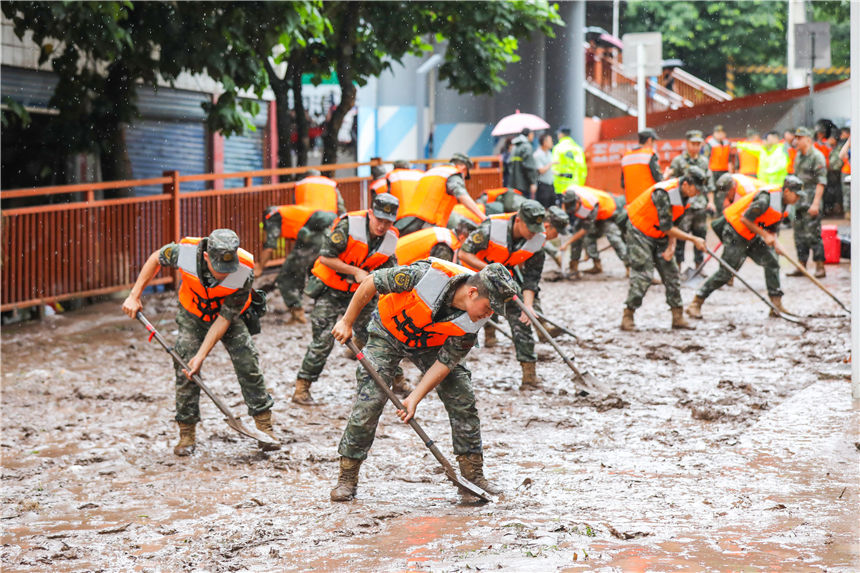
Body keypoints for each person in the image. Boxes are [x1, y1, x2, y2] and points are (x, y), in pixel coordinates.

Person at [328, 260, 518, 501]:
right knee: (370, 399)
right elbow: (371, 282)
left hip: (430, 344)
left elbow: (446, 362)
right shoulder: (422, 276)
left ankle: (472, 476)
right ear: (472, 292)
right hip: (389, 331)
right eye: (489, 306)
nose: (489, 314)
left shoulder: (474, 318)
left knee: (461, 394)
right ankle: (347, 477)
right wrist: (347, 322)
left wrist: (414, 398)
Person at [121, 229, 279, 455]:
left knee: (248, 362)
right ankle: (187, 434)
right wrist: (134, 295)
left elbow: (225, 318)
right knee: (185, 365)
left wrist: (202, 355)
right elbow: (156, 258)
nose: (224, 275)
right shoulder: (185, 254)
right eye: (219, 269)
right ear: (206, 256)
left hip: (226, 317)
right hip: (192, 312)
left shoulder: (243, 272)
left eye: (228, 269)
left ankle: (265, 428)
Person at [293, 194, 401, 405]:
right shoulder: (348, 226)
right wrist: (355, 271)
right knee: (323, 340)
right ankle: (301, 388)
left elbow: (391, 270)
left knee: (378, 335)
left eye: (388, 222)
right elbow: (325, 257)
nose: (382, 226)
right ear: (371, 213)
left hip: (361, 293)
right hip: (330, 290)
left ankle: (397, 380)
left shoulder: (391, 239)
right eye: (379, 220)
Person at [458, 201, 548, 388]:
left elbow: (532, 277)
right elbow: (464, 254)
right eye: (530, 227)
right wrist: (492, 271)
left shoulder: (538, 240)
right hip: (473, 280)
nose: (533, 232)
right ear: (519, 220)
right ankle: (443, 370)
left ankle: (529, 375)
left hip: (505, 283)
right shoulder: (491, 228)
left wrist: (528, 305)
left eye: (536, 228)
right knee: (460, 328)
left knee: (523, 319)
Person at [687, 176, 801, 319]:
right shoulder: (766, 199)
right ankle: (696, 303)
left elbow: (771, 225)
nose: (797, 198)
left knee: (772, 262)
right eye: (796, 194)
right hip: (735, 232)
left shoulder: (785, 205)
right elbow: (745, 219)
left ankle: (776, 305)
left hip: (752, 234)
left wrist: (776, 242)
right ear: (787, 191)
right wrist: (765, 235)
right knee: (726, 273)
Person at [621, 167, 708, 331]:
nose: (697, 193)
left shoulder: (684, 197)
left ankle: (678, 317)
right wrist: (693, 239)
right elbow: (667, 227)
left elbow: (674, 222)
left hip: (659, 234)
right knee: (643, 275)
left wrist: (671, 246)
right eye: (696, 189)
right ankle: (628, 316)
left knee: (672, 273)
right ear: (686, 184)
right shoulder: (664, 193)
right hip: (640, 231)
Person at [395, 154, 486, 236]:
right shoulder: (452, 174)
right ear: (463, 167)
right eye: (465, 175)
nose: (464, 178)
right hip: (426, 225)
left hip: (407, 223)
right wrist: (483, 218)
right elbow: (462, 196)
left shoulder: (432, 172)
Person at [667, 130, 716, 273]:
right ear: (687, 143)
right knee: (681, 236)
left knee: (700, 236)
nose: (695, 147)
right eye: (693, 144)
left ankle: (699, 268)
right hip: (683, 207)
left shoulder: (704, 161)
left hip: (700, 205)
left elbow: (709, 184)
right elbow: (673, 183)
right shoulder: (678, 161)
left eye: (698, 144)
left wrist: (710, 201)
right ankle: (677, 267)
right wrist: (675, 205)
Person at [559, 185, 628, 278]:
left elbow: (584, 230)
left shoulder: (590, 205)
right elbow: (564, 205)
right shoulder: (568, 194)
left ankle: (629, 267)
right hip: (590, 212)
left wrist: (567, 243)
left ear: (578, 201)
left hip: (606, 212)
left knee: (614, 238)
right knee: (583, 236)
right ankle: (578, 267)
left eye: (573, 207)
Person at [789, 127, 828, 278]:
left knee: (813, 235)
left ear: (808, 139)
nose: (796, 140)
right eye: (796, 138)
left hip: (811, 201)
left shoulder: (817, 156)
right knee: (798, 235)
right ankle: (801, 265)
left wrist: (816, 204)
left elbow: (821, 182)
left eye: (800, 138)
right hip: (798, 202)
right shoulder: (798, 155)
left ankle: (820, 266)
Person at [621, 128, 662, 205]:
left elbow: (623, 184)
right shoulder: (650, 154)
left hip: (632, 204)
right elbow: (658, 179)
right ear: (649, 140)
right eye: (654, 142)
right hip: (647, 201)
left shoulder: (626, 156)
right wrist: (667, 174)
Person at [394, 226, 461, 266]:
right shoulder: (446, 246)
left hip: (395, 256)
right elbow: (437, 272)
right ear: (462, 237)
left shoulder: (443, 233)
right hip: (396, 267)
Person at [704, 125, 734, 215]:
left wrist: (730, 170)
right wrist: (707, 171)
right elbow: (706, 158)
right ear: (714, 133)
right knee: (711, 190)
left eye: (722, 132)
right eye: (718, 132)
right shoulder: (709, 143)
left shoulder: (726, 143)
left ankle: (719, 212)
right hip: (712, 171)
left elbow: (729, 158)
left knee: (722, 192)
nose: (720, 135)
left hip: (723, 171)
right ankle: (711, 211)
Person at [552, 126, 587, 196]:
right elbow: (582, 168)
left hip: (560, 187)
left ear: (561, 134)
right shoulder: (578, 148)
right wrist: (580, 184)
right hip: (575, 187)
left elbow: (554, 167)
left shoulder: (557, 148)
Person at [507, 128, 538, 196]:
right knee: (525, 205)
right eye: (532, 134)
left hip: (513, 183)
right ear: (529, 135)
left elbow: (509, 164)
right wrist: (533, 182)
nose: (533, 136)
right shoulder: (527, 147)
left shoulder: (514, 146)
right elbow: (529, 166)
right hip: (524, 184)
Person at [533, 133, 557, 207]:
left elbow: (548, 170)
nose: (552, 143)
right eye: (550, 141)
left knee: (552, 206)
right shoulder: (537, 155)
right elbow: (541, 170)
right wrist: (551, 164)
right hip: (543, 185)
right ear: (544, 142)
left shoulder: (549, 153)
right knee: (543, 207)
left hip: (551, 184)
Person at [838, 133, 851, 219]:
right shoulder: (852, 148)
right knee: (847, 194)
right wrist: (849, 140)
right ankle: (848, 213)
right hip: (849, 173)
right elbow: (841, 155)